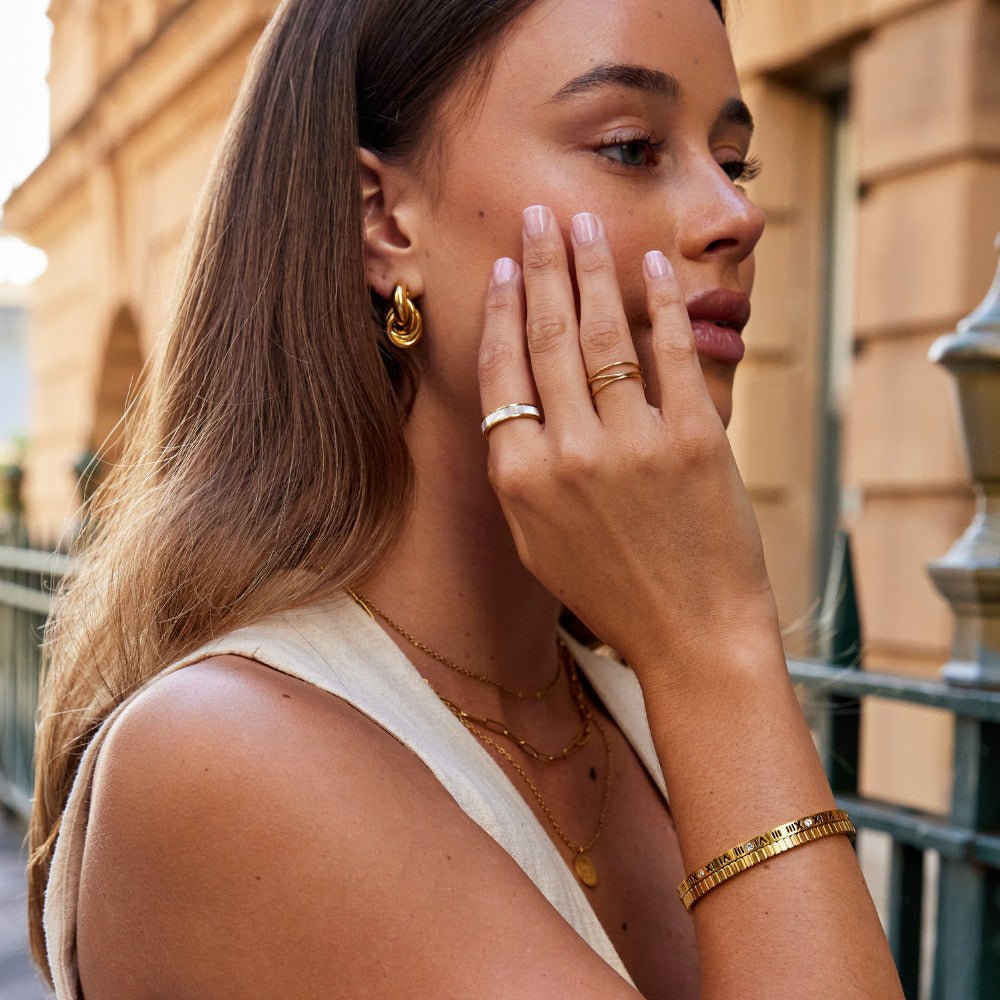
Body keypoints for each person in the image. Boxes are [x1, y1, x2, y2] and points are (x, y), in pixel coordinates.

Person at [27, 0, 904, 997]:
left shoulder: (630, 703)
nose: (734, 214)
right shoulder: (222, 754)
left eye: (733, 160)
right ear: (381, 218)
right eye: (630, 147)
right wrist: (716, 646)